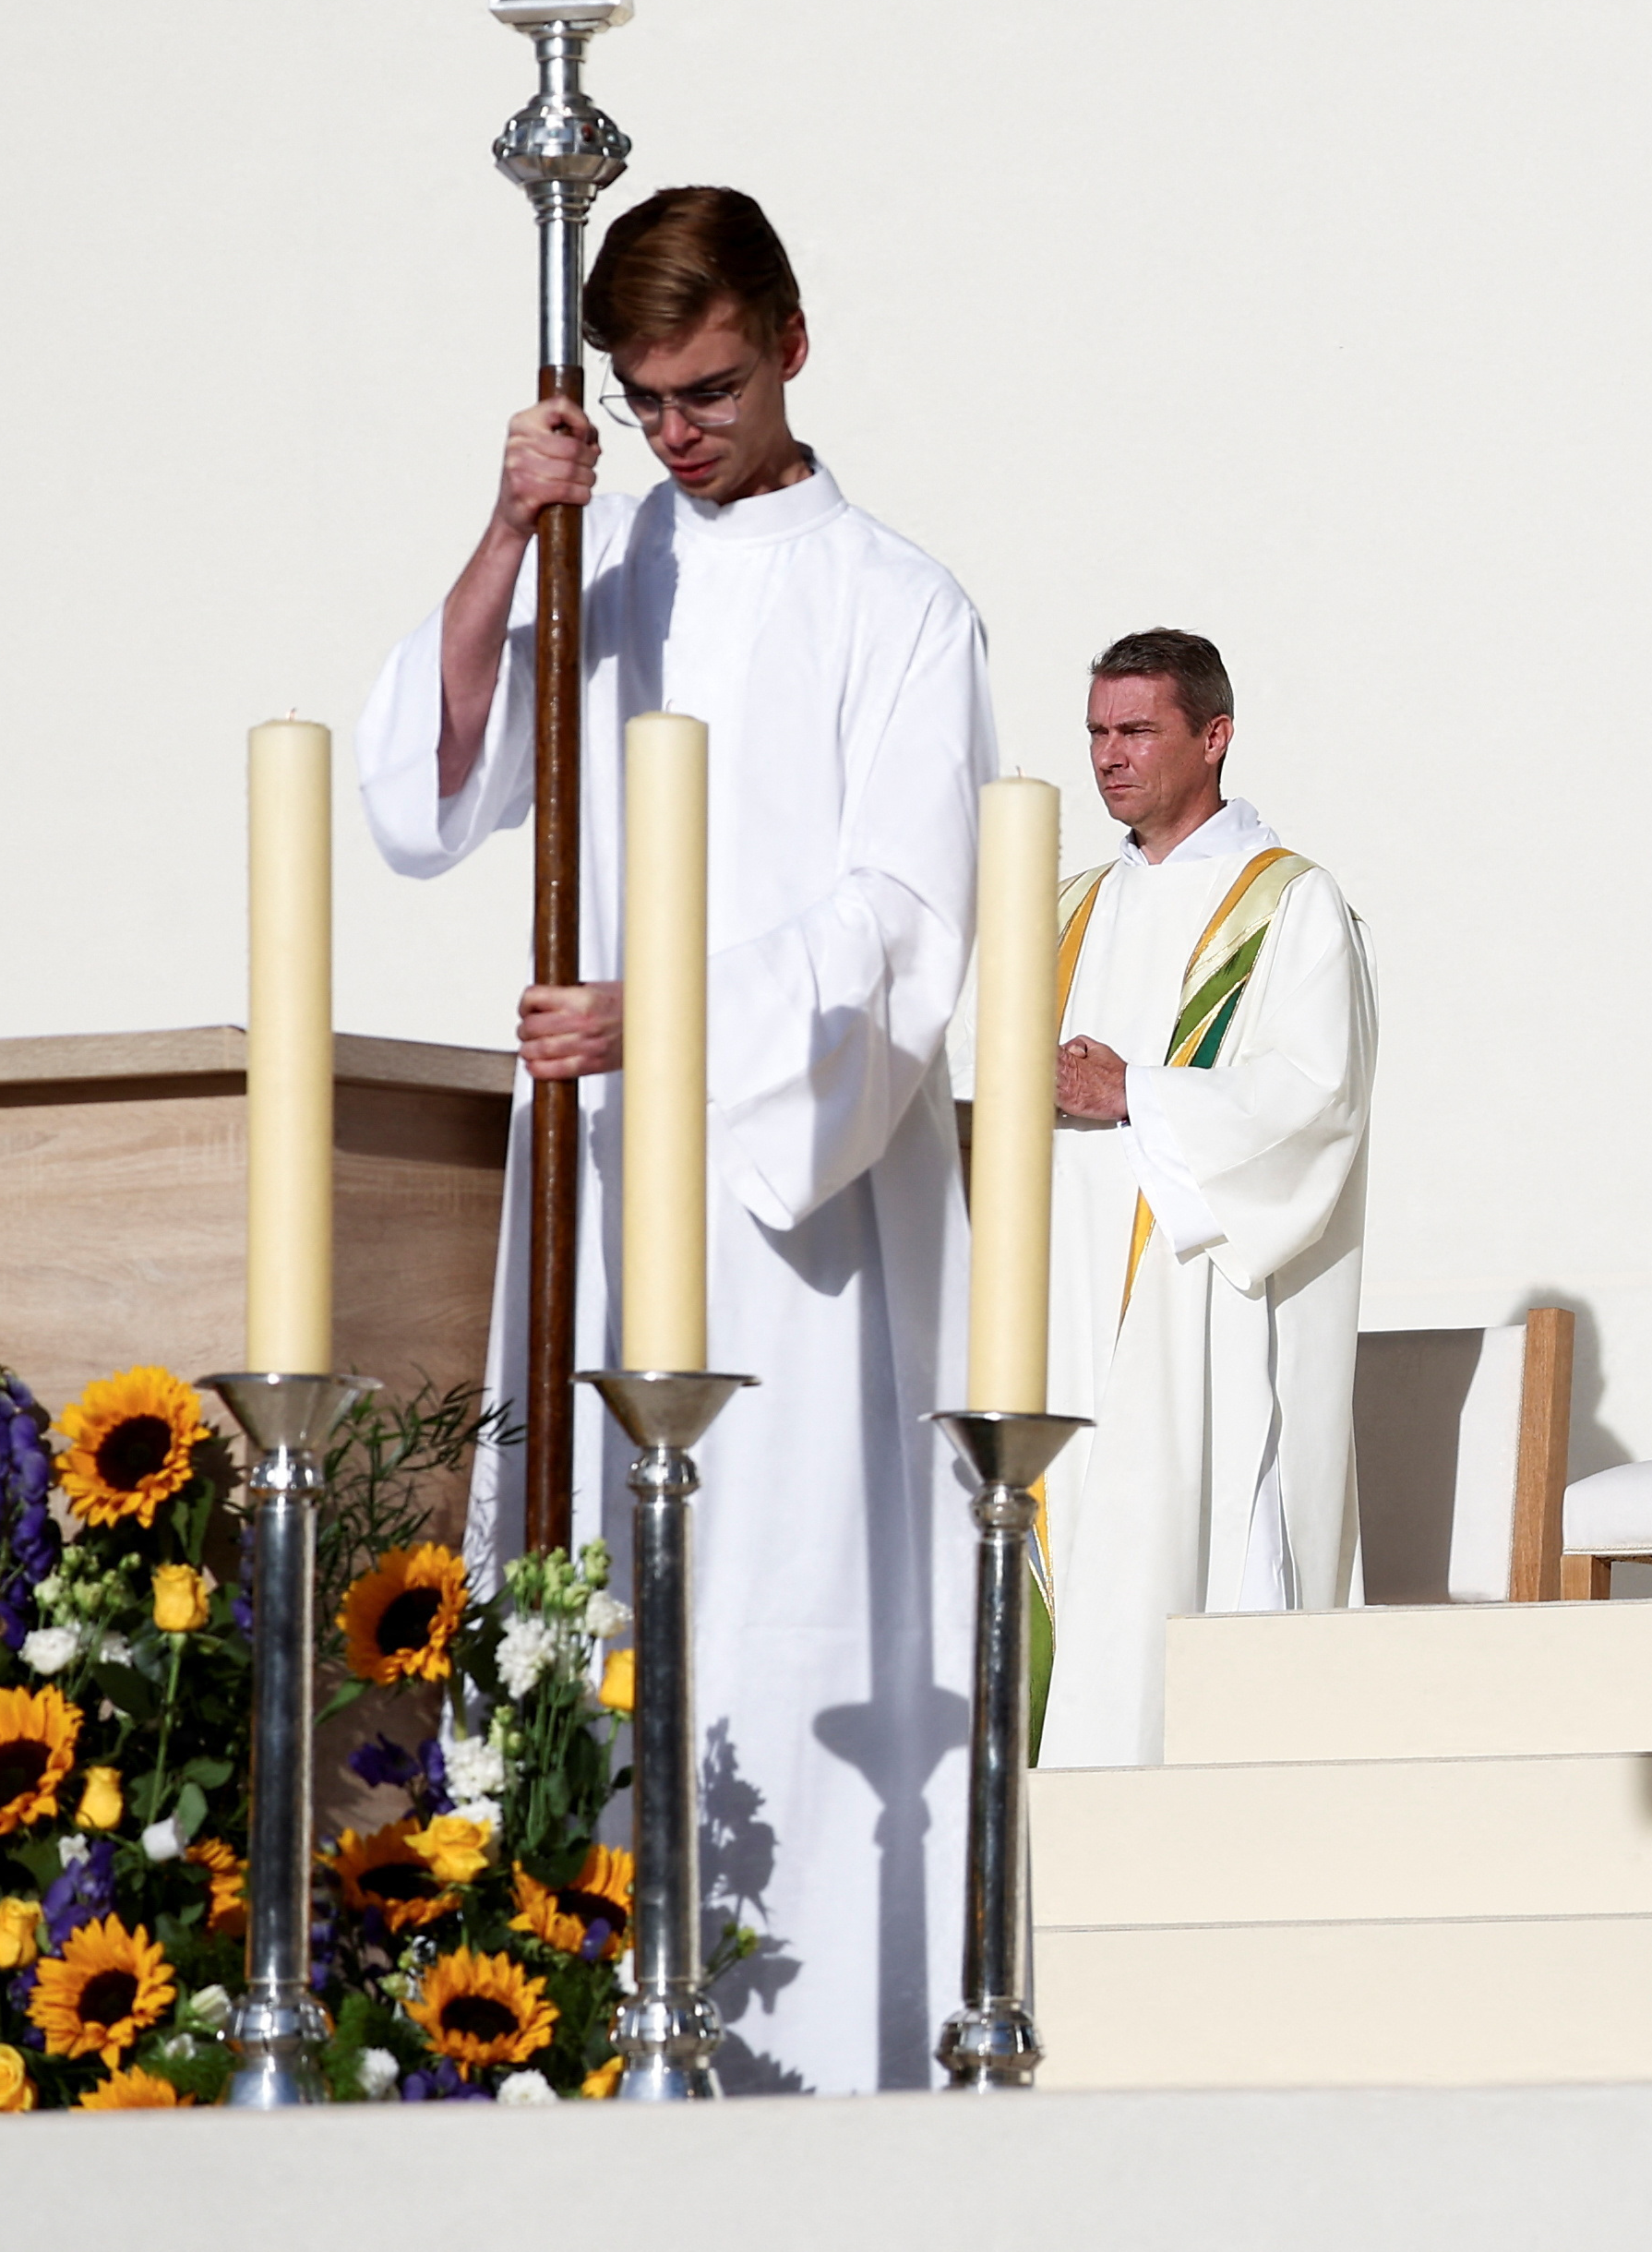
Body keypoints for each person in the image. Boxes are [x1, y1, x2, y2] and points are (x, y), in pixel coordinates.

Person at [356, 185, 990, 2090]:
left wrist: (674, 1014)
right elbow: (430, 794)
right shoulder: (603, 570)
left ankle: (814, 2069)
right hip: (607, 1179)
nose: (678, 430)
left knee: (784, 1600)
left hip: (793, 1203)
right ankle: (572, 2035)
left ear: (792, 342)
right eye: (643, 401)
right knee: (589, 1618)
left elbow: (907, 921)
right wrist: (507, 532)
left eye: (708, 388)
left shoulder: (901, 603)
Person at [1036, 629, 1371, 1769]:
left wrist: (1133, 1089)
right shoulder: (1068, 909)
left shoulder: (1286, 904)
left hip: (1203, 1308)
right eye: (1096, 731)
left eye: (1137, 730)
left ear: (1214, 736)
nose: (1109, 755)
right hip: (1064, 1299)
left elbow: (1313, 1102)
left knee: (1187, 1546)